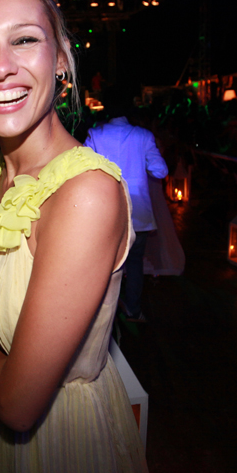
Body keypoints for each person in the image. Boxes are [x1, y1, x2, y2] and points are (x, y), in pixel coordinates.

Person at [0, 0, 155, 473]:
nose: (0, 67)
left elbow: (17, 403)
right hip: (0, 440)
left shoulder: (83, 193)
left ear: (60, 59)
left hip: (65, 450)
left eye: (24, 40)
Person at [85, 90, 169, 323]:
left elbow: (84, 168)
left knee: (105, 266)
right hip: (138, 213)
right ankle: (132, 309)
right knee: (134, 264)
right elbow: (161, 171)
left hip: (106, 212)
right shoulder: (143, 135)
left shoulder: (95, 134)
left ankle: (103, 316)